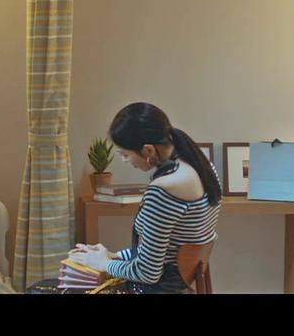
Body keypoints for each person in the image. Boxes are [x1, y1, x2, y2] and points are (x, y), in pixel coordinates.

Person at [28, 102, 221, 294]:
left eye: (125, 154)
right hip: (178, 284)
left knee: (39, 290)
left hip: (153, 289)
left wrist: (104, 264)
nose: (124, 160)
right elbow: (165, 250)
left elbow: (147, 273)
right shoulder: (202, 167)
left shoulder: (163, 190)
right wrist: (113, 255)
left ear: (148, 150)